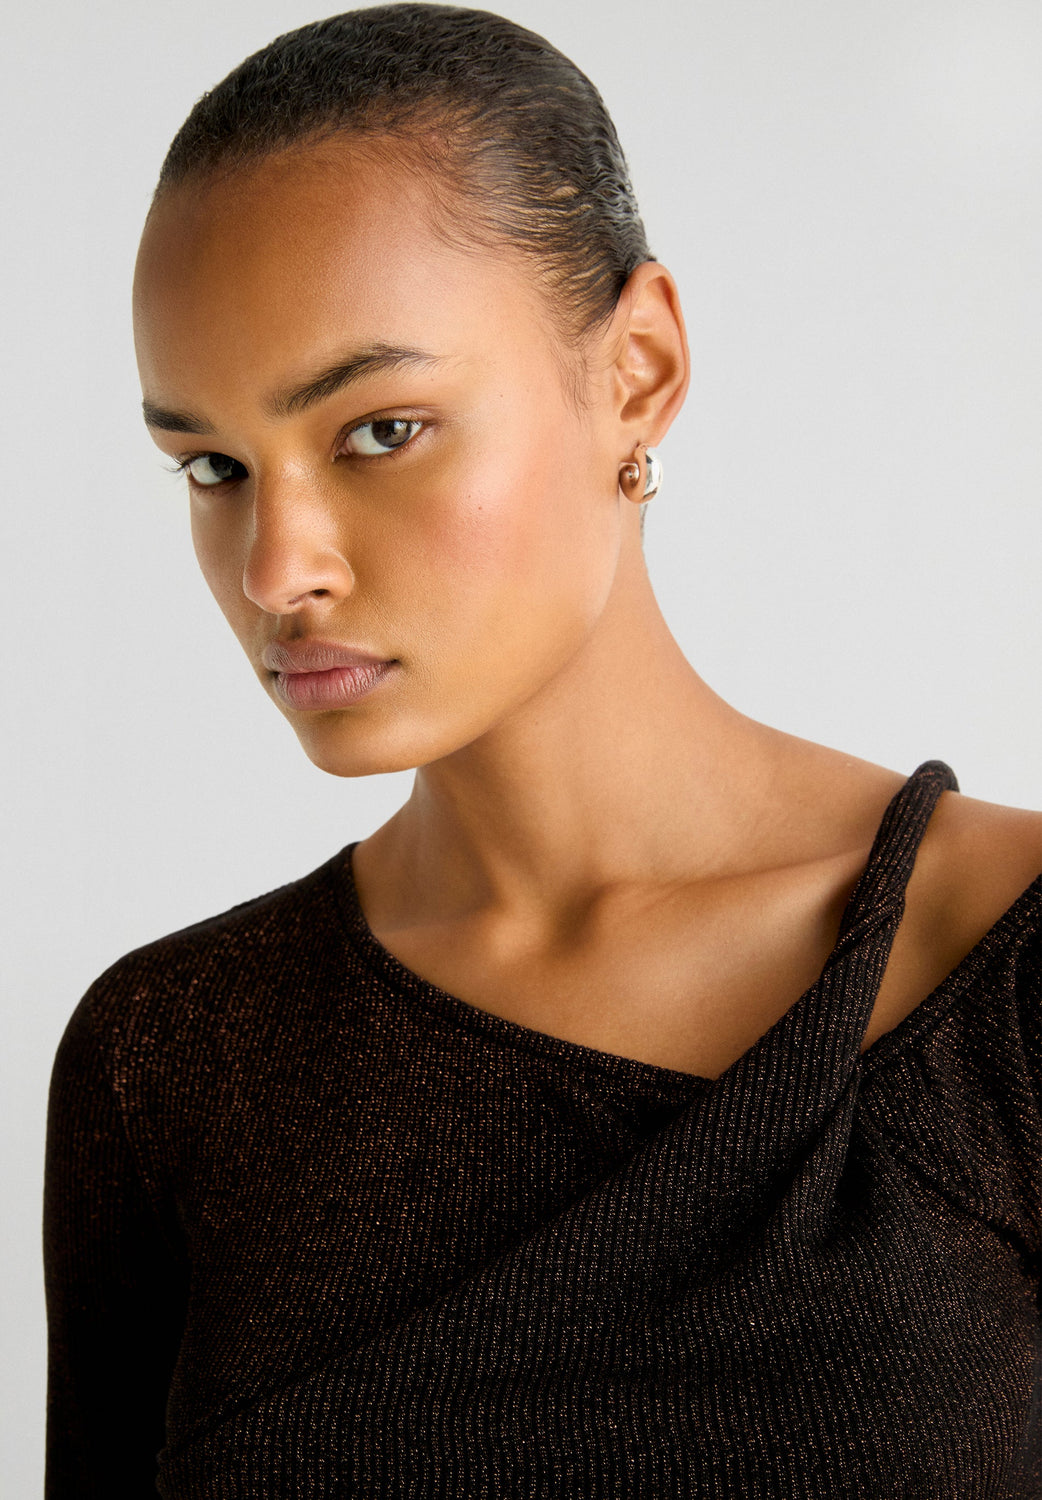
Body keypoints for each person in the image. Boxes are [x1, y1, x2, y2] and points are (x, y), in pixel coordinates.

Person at [43, 5, 1042, 1496]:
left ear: (636, 368)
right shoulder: (170, 1055)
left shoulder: (1006, 964)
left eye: (380, 430)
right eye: (213, 465)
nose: (275, 567)